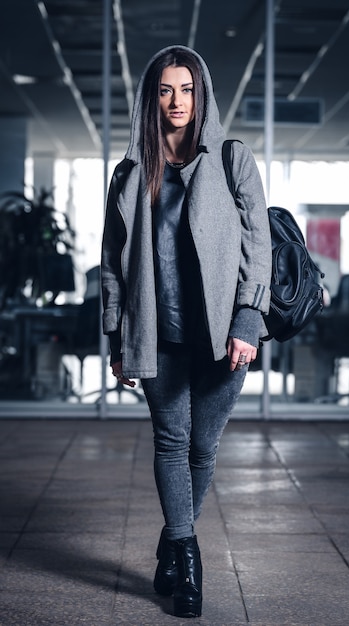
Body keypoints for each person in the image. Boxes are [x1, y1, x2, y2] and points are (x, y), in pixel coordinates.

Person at [101, 45, 272, 618]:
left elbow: (259, 246)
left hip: (225, 334)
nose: (177, 102)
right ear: (152, 98)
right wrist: (117, 338)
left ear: (202, 95)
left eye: (188, 89)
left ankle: (171, 540)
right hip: (157, 334)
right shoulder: (130, 173)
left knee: (203, 446)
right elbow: (111, 262)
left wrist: (249, 317)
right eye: (166, 90)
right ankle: (190, 565)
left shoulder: (231, 158)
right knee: (172, 443)